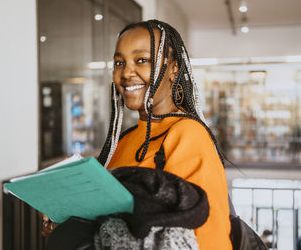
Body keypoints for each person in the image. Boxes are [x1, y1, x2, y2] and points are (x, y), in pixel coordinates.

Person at [97, 19, 232, 250]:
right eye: (119, 62)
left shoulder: (188, 134)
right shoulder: (123, 141)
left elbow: (211, 237)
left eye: (142, 60)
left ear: (173, 68)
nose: (127, 72)